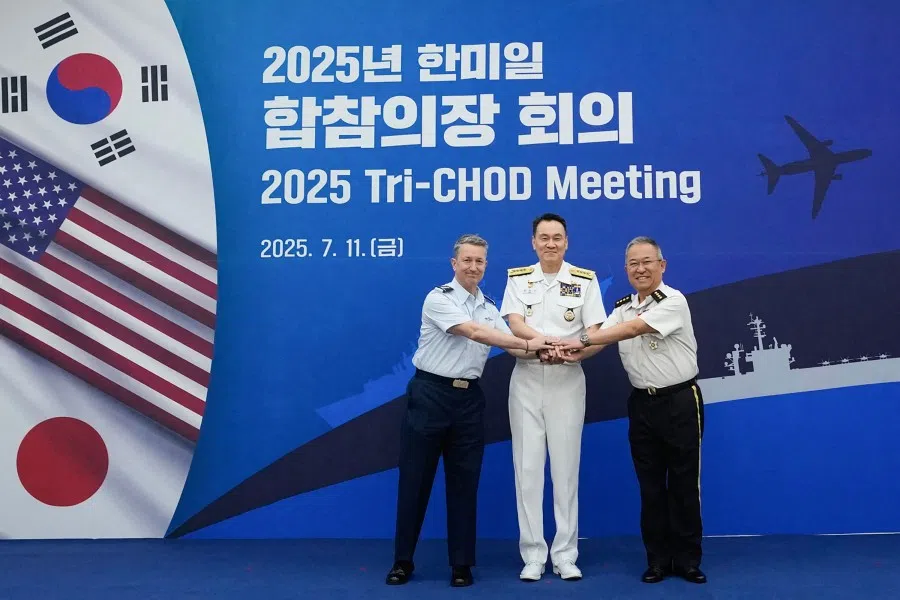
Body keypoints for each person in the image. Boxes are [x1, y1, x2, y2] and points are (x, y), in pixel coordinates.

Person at [386, 234, 556, 588]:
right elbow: (476, 334)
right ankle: (403, 561)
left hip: (468, 402)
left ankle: (461, 564)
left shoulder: (489, 307)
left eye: (479, 261)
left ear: (485, 266)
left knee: (465, 484)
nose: (473, 267)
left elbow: (512, 348)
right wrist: (528, 341)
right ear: (454, 263)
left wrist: (548, 349)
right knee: (415, 482)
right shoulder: (439, 298)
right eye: (467, 260)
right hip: (430, 395)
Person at [556, 236, 707, 585]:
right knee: (650, 487)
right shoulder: (623, 307)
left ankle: (687, 560)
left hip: (681, 402)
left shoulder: (673, 301)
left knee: (684, 484)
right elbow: (604, 335)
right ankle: (656, 561)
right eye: (633, 264)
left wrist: (579, 341)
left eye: (647, 262)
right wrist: (572, 354)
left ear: (662, 266)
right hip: (642, 405)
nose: (640, 269)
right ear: (626, 270)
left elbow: (635, 328)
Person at [498, 213, 608, 582]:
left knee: (565, 470)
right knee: (527, 470)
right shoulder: (518, 279)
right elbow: (514, 324)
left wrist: (575, 348)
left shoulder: (584, 280)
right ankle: (532, 554)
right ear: (533, 242)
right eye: (543, 237)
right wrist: (543, 344)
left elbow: (595, 331)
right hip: (527, 378)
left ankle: (565, 554)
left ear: (566, 241)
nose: (550, 244)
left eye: (557, 237)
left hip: (567, 379)